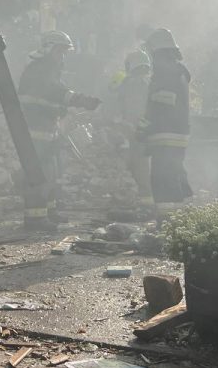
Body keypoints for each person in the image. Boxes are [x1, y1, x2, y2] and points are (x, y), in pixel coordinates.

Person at [18, 31, 101, 230]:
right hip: (35, 130)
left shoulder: (50, 69)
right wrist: (80, 100)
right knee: (38, 174)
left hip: (47, 129)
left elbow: (54, 95)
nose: (62, 56)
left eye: (65, 52)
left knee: (52, 173)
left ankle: (49, 211)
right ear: (48, 49)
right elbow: (55, 92)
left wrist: (62, 108)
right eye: (60, 51)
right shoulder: (40, 68)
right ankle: (35, 218)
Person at [138, 28, 192, 221]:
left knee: (162, 180)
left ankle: (167, 223)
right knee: (174, 177)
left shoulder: (166, 71)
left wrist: (144, 128)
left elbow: (160, 103)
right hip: (175, 133)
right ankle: (176, 222)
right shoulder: (177, 70)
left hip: (165, 134)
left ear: (157, 51)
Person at [118, 50, 153, 205]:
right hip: (145, 132)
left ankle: (145, 203)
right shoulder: (150, 83)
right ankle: (144, 201)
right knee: (142, 166)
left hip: (135, 132)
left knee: (140, 167)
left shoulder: (132, 83)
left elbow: (130, 109)